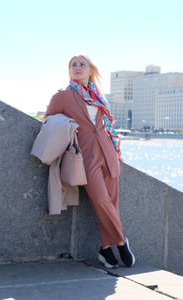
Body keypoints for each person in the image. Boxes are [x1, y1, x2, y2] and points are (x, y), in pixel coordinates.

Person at [44, 54, 135, 269]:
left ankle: (105, 249)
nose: (77, 68)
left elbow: (104, 126)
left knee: (112, 203)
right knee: (101, 200)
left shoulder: (98, 96)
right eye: (73, 65)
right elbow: (48, 119)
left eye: (82, 64)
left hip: (109, 153)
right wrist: (69, 125)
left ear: (90, 70)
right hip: (85, 156)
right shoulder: (63, 96)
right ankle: (122, 242)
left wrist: (114, 151)